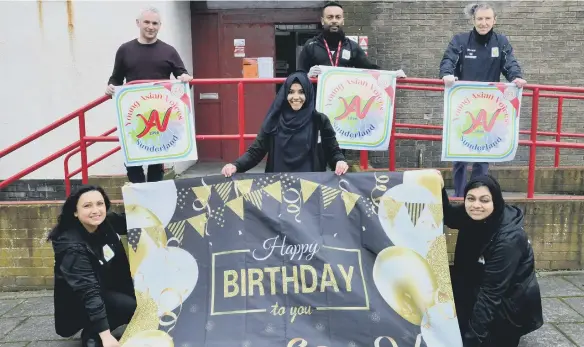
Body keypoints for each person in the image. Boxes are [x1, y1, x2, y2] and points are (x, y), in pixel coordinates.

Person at [438, 173, 543, 347]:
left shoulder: (508, 240)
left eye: (484, 200)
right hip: (477, 281)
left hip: (509, 302)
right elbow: (449, 216)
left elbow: (491, 294)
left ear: (495, 201)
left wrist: (471, 340)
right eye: (470, 198)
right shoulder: (469, 213)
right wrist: (439, 187)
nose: (476, 205)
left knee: (486, 337)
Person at [439, 2, 526, 197]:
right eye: (480, 19)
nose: (483, 23)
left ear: (494, 20)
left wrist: (516, 77)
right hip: (463, 107)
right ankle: (460, 197)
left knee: (483, 153)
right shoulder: (460, 41)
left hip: (489, 107)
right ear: (473, 20)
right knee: (460, 154)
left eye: (487, 19)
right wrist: (446, 74)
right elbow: (448, 60)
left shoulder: (501, 42)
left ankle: (477, 195)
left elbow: (510, 63)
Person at [105, 7, 193, 184]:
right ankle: (138, 201)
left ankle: (154, 201)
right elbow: (116, 77)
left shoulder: (169, 51)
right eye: (147, 22)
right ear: (138, 23)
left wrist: (185, 78)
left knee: (156, 161)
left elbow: (182, 77)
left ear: (160, 26)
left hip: (160, 116)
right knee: (133, 162)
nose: (150, 27)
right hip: (133, 116)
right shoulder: (125, 50)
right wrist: (110, 88)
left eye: (155, 23)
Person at [48, 185, 136, 347]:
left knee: (144, 302)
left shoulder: (105, 221)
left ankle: (103, 325)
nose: (96, 210)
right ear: (75, 212)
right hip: (79, 300)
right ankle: (94, 332)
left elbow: (134, 220)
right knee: (132, 307)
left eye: (99, 204)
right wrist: (107, 337)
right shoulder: (71, 246)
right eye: (87, 206)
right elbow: (88, 290)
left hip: (106, 287)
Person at [221, 71, 348, 176]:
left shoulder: (320, 121)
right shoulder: (274, 120)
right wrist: (235, 166)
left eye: (301, 92)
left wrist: (340, 161)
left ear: (308, 93)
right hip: (277, 188)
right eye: (291, 92)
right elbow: (255, 152)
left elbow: (333, 151)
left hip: (311, 189)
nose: (296, 97)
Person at [298, 1, 406, 78]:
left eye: (338, 17)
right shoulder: (311, 45)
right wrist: (307, 75)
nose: (334, 21)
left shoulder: (352, 46)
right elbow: (298, 74)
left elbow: (370, 69)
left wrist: (392, 75)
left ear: (343, 21)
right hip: (317, 103)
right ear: (322, 21)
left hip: (344, 103)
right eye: (330, 17)